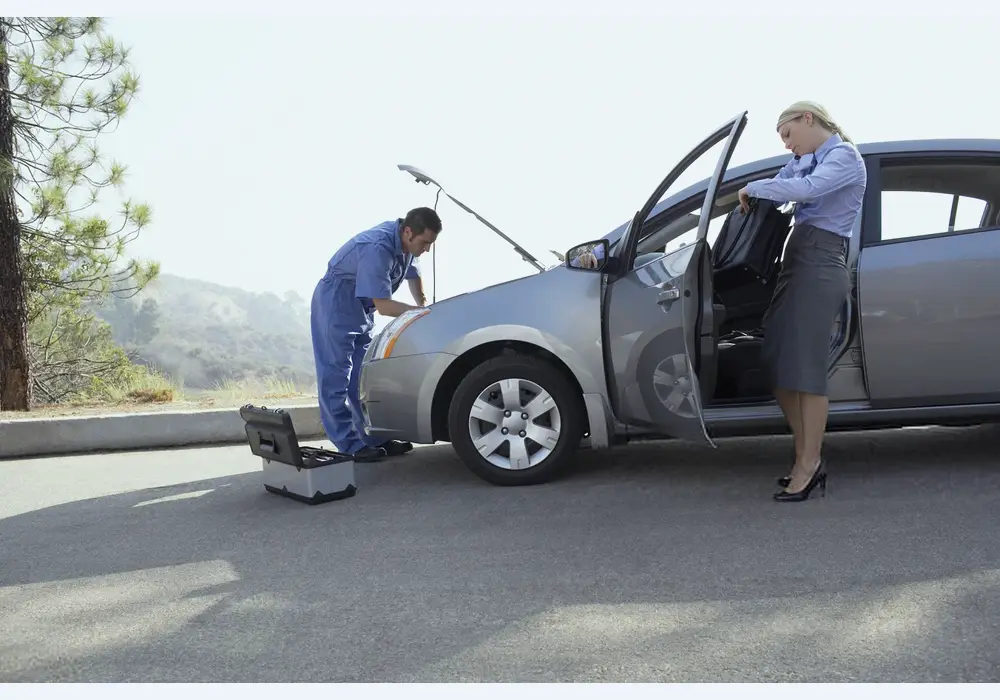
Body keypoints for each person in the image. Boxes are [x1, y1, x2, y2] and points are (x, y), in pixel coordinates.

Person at [738, 101, 867, 502]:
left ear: (808, 118)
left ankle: (808, 464)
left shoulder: (844, 156)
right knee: (777, 357)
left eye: (789, 135)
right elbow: (784, 186)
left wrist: (754, 187)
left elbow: (806, 190)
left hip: (822, 260)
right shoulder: (805, 160)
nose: (788, 146)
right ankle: (805, 455)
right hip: (796, 261)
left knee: (807, 368)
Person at [311, 207, 441, 461]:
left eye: (431, 244)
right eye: (425, 243)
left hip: (361, 308)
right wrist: (421, 316)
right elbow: (384, 306)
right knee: (335, 375)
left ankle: (373, 437)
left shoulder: (406, 244)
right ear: (408, 232)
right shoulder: (377, 248)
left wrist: (424, 304)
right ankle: (349, 444)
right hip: (336, 304)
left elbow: (413, 273)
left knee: (362, 377)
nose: (427, 249)